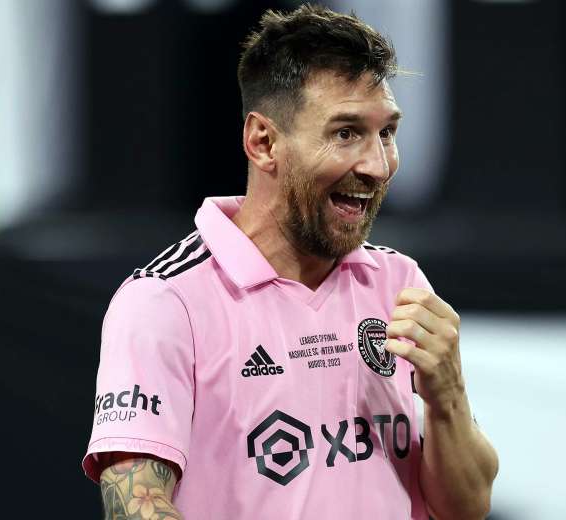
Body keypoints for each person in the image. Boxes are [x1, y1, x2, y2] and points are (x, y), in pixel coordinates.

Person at [82, 4, 498, 519]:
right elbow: (136, 505)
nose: (377, 165)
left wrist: (448, 395)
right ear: (263, 143)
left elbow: (468, 506)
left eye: (387, 133)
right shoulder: (164, 302)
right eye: (346, 133)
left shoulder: (399, 282)